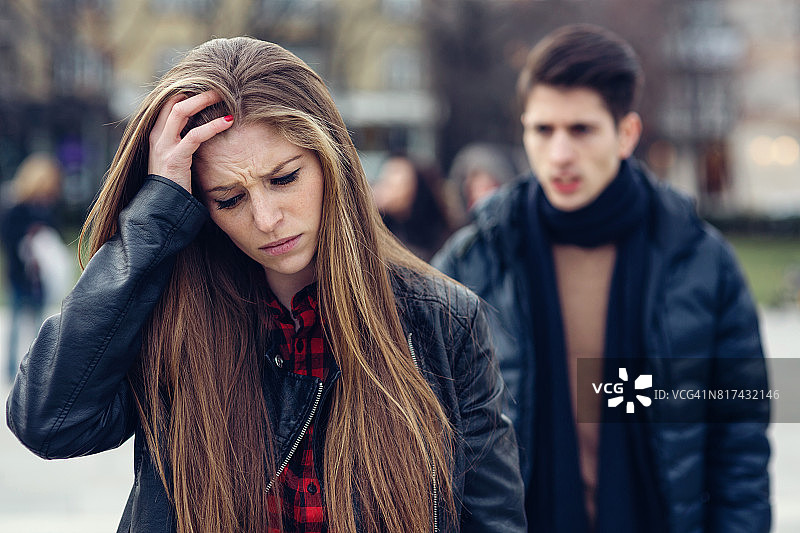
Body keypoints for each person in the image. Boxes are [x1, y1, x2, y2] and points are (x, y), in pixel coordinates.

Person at [6, 37, 526, 533]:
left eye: (283, 178)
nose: (267, 217)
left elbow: (494, 519)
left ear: (331, 161)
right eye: (229, 199)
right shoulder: (171, 318)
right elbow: (48, 421)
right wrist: (154, 216)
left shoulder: (443, 320)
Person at [433, 24, 770, 533]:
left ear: (627, 134)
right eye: (543, 130)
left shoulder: (700, 260)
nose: (560, 153)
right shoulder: (475, 260)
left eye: (582, 130)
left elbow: (740, 435)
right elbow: (432, 431)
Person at [0, 153, 62, 382]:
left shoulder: (47, 208)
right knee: (17, 323)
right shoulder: (17, 207)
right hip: (19, 275)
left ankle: (34, 370)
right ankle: (10, 372)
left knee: (38, 325)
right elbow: (8, 238)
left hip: (40, 277)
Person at [372, 154, 455, 261]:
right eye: (385, 179)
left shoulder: (440, 234)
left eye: (394, 181)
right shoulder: (379, 228)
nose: (386, 186)